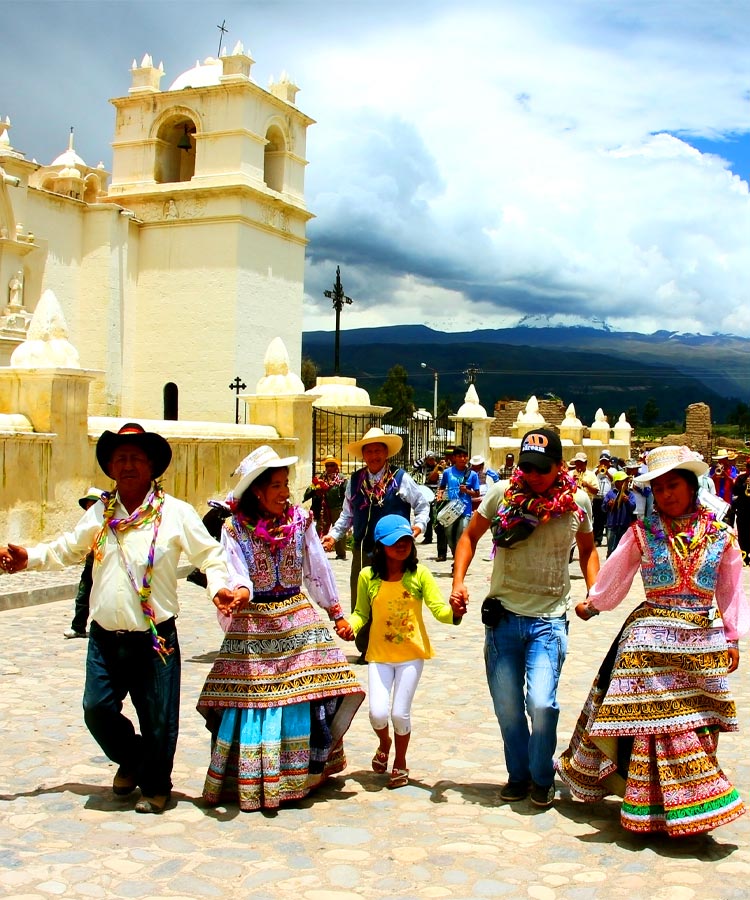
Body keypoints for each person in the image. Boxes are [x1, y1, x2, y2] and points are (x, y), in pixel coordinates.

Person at [0, 422, 244, 814]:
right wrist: (28, 558)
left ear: (151, 467)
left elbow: (211, 557)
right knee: (96, 709)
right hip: (105, 638)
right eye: (120, 458)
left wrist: (220, 588)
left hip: (154, 638)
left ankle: (155, 785)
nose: (128, 465)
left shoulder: (175, 514)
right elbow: (66, 549)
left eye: (136, 458)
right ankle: (132, 759)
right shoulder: (99, 513)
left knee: (159, 719)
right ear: (111, 467)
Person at [558, 445, 750, 837]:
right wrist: (594, 603)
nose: (666, 494)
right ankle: (652, 808)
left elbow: (731, 590)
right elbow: (616, 575)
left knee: (698, 723)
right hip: (649, 640)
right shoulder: (641, 533)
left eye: (673, 485)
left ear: (692, 486)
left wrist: (732, 637)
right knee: (651, 725)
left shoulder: (720, 537)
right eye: (659, 488)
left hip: (700, 640)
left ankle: (690, 807)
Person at [197, 445, 364, 811]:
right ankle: (254, 778)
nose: (284, 492)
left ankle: (300, 775)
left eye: (286, 484)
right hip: (255, 617)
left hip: (294, 613)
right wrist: (239, 592)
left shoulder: (300, 521)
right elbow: (235, 569)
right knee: (253, 698)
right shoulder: (233, 528)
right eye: (276, 485)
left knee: (318, 685)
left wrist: (334, 611)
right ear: (257, 490)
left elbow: (315, 567)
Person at [451, 428, 600, 808]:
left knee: (542, 704)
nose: (533, 476)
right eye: (527, 467)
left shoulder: (577, 502)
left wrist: (593, 592)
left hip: (549, 620)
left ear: (560, 466)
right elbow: (469, 537)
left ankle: (540, 774)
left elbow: (588, 550)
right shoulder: (502, 495)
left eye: (543, 469)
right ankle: (519, 775)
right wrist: (458, 582)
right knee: (507, 709)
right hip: (503, 619)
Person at [344, 515, 464, 788]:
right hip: (379, 656)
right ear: (380, 546)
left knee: (399, 713)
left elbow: (440, 611)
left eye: (406, 540)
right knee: (377, 713)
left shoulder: (419, 574)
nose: (402, 545)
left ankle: (400, 761)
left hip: (411, 655)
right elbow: (361, 613)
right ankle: (384, 742)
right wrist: (349, 627)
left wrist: (455, 613)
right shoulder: (367, 577)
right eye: (394, 541)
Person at [322, 427, 430, 612]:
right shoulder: (355, 480)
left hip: (394, 552)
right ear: (363, 455)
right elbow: (348, 514)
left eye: (378, 451)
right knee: (362, 603)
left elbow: (422, 504)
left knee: (393, 603)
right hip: (363, 551)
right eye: (369, 451)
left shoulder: (401, 478)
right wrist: (333, 535)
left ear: (386, 452)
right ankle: (363, 640)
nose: (374, 456)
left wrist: (419, 526)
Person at [63, 487, 106, 639]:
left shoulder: (109, 522)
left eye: (92, 504)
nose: (89, 508)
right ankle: (78, 627)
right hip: (90, 565)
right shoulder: (86, 525)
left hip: (104, 568)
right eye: (87, 505)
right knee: (83, 596)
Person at [437, 446, 480, 559]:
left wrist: (467, 491)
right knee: (450, 537)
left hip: (465, 510)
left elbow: (477, 493)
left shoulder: (472, 474)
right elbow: (442, 486)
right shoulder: (447, 472)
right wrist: (440, 494)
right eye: (459, 456)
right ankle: (455, 555)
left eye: (465, 456)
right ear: (454, 457)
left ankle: (457, 562)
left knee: (461, 536)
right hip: (451, 510)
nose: (462, 459)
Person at [304, 455, 347, 560]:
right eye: (327, 465)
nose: (329, 468)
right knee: (319, 528)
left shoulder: (342, 479)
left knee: (339, 529)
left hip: (337, 507)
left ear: (336, 466)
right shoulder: (321, 478)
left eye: (331, 465)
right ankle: (317, 551)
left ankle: (341, 553)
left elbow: (347, 493)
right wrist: (316, 488)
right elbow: (308, 492)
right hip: (323, 508)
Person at [602, 471, 636, 558]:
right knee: (611, 548)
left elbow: (633, 507)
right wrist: (608, 504)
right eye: (623, 481)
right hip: (612, 525)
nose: (626, 483)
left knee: (622, 549)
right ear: (617, 482)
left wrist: (627, 501)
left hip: (624, 525)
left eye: (626, 481)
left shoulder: (630, 494)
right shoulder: (610, 494)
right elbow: (603, 508)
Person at [732, 456, 750, 565]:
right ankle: (743, 555)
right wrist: (744, 484)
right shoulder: (741, 478)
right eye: (749, 466)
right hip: (743, 510)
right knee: (743, 533)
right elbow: (735, 491)